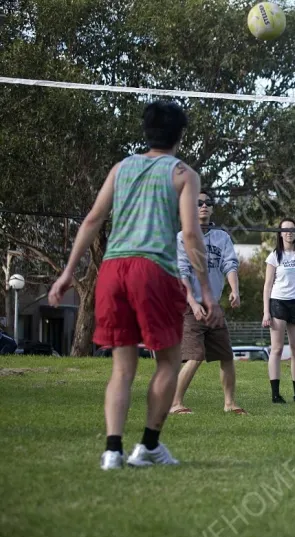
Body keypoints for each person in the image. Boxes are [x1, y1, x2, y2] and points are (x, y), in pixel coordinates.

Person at [47, 100, 223, 470]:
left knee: (122, 369)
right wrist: (206, 287)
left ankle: (112, 452)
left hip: (112, 270)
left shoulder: (121, 168)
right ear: (179, 135)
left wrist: (67, 272)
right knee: (169, 362)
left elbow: (93, 218)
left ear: (147, 131)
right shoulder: (183, 173)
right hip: (152, 270)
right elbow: (191, 234)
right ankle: (147, 447)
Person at [169, 190, 246, 415]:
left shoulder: (222, 237)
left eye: (208, 203)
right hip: (191, 306)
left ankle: (230, 404)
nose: (203, 206)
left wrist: (235, 290)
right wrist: (192, 303)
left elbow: (230, 264)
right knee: (195, 356)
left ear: (212, 209)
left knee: (226, 356)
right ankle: (175, 403)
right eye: (199, 203)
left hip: (214, 307)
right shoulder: (183, 237)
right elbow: (182, 272)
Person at [262, 218, 295, 404]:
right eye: (285, 230)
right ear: (280, 233)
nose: (289, 233)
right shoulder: (275, 256)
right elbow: (267, 286)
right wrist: (266, 312)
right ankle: (276, 394)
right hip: (278, 303)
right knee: (276, 349)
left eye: (292, 229)